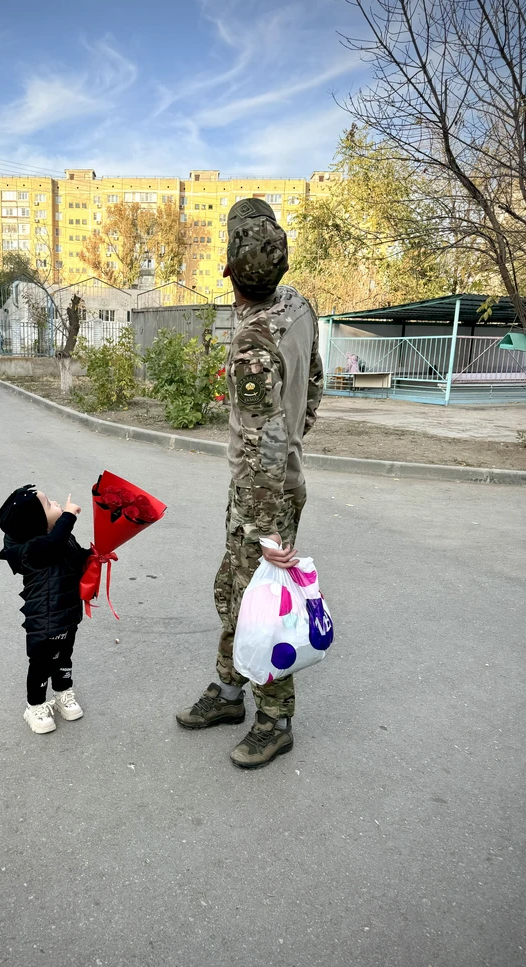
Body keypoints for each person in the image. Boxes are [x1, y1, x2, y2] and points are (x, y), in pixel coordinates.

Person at [176, 198, 324, 769]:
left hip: (262, 498)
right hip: (275, 484)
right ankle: (230, 692)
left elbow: (262, 440)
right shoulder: (300, 307)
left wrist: (263, 527)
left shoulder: (253, 340)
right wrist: (295, 441)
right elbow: (314, 387)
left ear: (230, 268)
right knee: (234, 591)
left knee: (264, 605)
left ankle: (274, 719)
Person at [0, 485, 91, 734]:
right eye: (49, 504)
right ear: (36, 523)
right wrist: (69, 515)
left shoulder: (62, 539)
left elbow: (76, 558)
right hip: (44, 620)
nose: (57, 502)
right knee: (41, 663)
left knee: (64, 657)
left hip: (68, 613)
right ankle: (35, 705)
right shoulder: (32, 551)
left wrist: (94, 555)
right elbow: (53, 544)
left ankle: (62, 693)